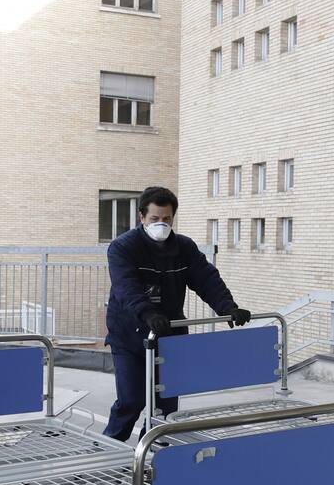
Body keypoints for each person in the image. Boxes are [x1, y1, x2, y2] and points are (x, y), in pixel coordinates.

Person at [103, 186, 250, 441]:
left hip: (170, 338)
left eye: (166, 219)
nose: (161, 224)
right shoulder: (123, 248)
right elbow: (126, 287)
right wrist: (147, 313)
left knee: (166, 409)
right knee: (131, 401)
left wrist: (228, 307)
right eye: (154, 219)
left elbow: (206, 279)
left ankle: (152, 457)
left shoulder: (184, 247)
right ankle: (108, 451)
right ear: (142, 217)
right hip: (130, 336)